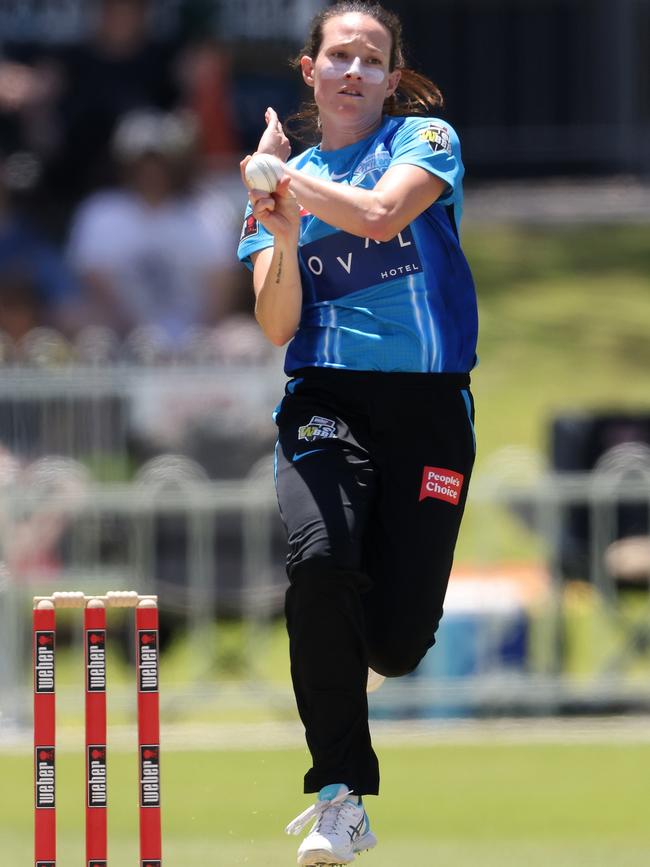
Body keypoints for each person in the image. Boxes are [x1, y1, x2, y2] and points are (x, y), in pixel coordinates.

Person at [237, 3, 478, 864]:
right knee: (319, 557)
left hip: (427, 407)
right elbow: (274, 322)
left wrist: (281, 185)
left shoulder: (426, 143)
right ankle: (340, 794)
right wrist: (281, 222)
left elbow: (380, 216)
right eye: (337, 56)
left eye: (370, 60)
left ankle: (373, 634)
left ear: (391, 76)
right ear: (310, 70)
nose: (352, 72)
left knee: (397, 643)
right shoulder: (278, 184)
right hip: (325, 394)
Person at [67, 108, 240, 349]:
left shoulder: (208, 211)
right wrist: (138, 332)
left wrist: (199, 336)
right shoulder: (101, 212)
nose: (152, 171)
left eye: (161, 162)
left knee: (243, 340)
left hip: (199, 336)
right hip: (121, 334)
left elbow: (221, 285)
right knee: (76, 321)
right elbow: (94, 283)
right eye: (142, 162)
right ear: (126, 164)